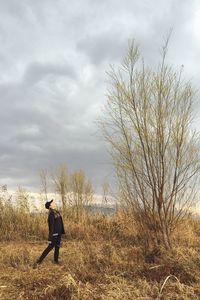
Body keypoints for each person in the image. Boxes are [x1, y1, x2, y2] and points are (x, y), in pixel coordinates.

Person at [33, 199, 65, 268]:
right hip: (54, 234)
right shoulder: (51, 214)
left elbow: (60, 223)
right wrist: (50, 238)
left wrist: (61, 231)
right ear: (50, 206)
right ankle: (39, 261)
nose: (54, 203)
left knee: (57, 247)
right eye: (53, 203)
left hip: (58, 234)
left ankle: (56, 261)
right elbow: (51, 226)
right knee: (49, 248)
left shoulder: (57, 212)